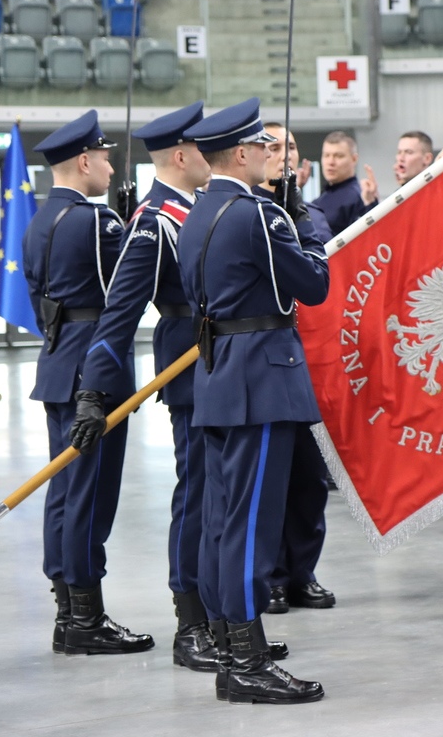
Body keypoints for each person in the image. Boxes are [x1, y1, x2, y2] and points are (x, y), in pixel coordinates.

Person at [176, 98, 329, 704]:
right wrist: (302, 222)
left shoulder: (197, 212)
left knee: (222, 519)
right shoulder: (258, 214)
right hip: (262, 380)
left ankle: (229, 638)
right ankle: (245, 660)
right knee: (253, 525)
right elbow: (314, 284)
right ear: (240, 154)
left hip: (219, 375)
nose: (270, 154)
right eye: (263, 146)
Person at [67, 102, 226, 670]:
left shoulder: (200, 208)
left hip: (225, 364)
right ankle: (191, 626)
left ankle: (223, 620)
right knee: (198, 496)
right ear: (181, 156)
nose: (212, 156)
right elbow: (119, 315)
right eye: (203, 147)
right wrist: (93, 391)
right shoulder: (154, 221)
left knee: (223, 499)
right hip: (188, 369)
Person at [22, 110, 153, 656]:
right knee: (90, 496)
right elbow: (123, 295)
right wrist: (130, 228)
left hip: (57, 363)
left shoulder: (37, 221)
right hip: (93, 371)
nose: (109, 167)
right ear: (83, 161)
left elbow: (40, 300)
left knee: (65, 492)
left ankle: (66, 610)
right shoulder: (98, 223)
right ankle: (86, 618)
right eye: (103, 158)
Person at [251, 124, 338, 617]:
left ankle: (302, 572)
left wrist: (297, 214)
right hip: (268, 360)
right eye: (272, 147)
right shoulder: (248, 212)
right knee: (272, 480)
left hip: (314, 363)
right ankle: (272, 578)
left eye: (289, 148)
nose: (282, 156)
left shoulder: (312, 215)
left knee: (310, 477)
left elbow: (324, 270)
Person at [312, 131, 367, 236]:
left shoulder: (359, 197)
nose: (330, 162)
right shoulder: (320, 199)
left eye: (338, 156)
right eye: (326, 155)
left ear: (354, 159)